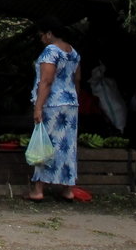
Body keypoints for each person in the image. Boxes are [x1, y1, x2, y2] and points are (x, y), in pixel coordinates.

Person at [28, 17, 81, 202]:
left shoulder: (51, 50)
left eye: (42, 35)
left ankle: (38, 189)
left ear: (49, 34)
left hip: (53, 104)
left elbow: (46, 81)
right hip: (71, 104)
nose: (41, 39)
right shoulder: (73, 52)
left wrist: (38, 107)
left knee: (46, 144)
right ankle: (67, 189)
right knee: (67, 145)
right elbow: (77, 80)